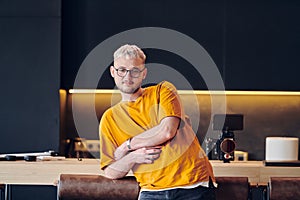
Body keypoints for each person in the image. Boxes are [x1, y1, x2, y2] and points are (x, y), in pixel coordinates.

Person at [99, 44, 216, 200]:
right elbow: (110, 171)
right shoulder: (109, 118)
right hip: (151, 192)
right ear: (113, 72)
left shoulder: (164, 91)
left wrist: (128, 145)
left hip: (193, 186)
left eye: (135, 71)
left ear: (144, 74)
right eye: (122, 70)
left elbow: (167, 131)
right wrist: (132, 157)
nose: (127, 76)